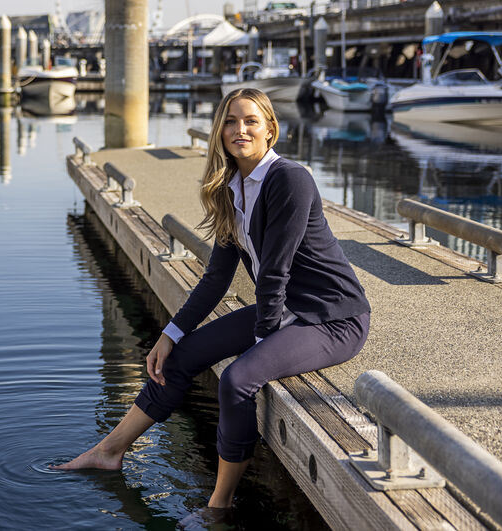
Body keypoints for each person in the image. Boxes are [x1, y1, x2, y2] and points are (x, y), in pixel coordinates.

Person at [53, 88, 371, 515]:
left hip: (332, 318)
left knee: (237, 380)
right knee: (179, 357)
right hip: (284, 309)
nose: (240, 130)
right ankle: (109, 451)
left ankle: (219, 505)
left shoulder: (290, 180)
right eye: (230, 121)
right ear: (219, 131)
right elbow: (216, 278)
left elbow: (274, 270)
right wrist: (169, 334)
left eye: (251, 121)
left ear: (270, 130)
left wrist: (262, 343)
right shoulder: (230, 189)